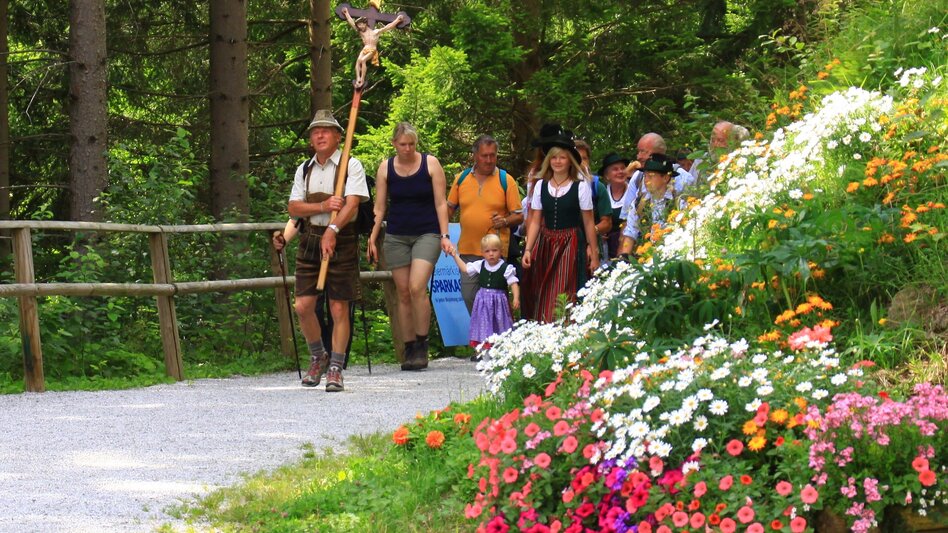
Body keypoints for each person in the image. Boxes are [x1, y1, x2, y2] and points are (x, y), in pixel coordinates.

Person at [287, 109, 369, 391]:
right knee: (303, 306)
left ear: (337, 136)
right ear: (311, 139)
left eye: (325, 130)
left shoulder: (351, 165)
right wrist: (322, 207)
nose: (319, 135)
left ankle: (335, 367)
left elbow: (353, 203)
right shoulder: (304, 169)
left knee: (338, 306)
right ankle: (317, 357)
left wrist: (333, 230)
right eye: (315, 131)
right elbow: (294, 207)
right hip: (310, 239)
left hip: (342, 240)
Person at [366, 122, 453, 371]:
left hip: (427, 232)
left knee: (417, 287)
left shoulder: (431, 164)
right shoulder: (386, 168)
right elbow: (380, 208)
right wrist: (372, 237)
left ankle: (423, 344)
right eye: (403, 144)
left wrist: (444, 234)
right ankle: (409, 347)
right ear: (394, 144)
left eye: (411, 144)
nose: (407, 148)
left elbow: (440, 203)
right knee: (402, 292)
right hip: (396, 234)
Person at [521, 132, 600, 323]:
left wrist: (594, 253)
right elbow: (535, 221)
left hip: (570, 243)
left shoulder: (580, 187)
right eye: (554, 157)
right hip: (546, 243)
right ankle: (543, 331)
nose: (558, 161)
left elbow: (589, 222)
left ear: (570, 160)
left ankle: (564, 329)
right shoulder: (540, 186)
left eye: (562, 157)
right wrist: (528, 249)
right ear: (548, 160)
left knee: (564, 290)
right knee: (543, 288)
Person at [446, 135, 523, 313]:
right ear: (475, 155)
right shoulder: (462, 178)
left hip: (495, 252)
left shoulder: (506, 180)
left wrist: (504, 221)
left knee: (496, 300)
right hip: (467, 249)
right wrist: (441, 233)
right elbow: (448, 209)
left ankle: (497, 338)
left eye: (493, 155)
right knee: (468, 295)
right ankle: (482, 334)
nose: (489, 160)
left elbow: (519, 216)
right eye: (484, 155)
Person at [449, 234, 520, 352]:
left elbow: (513, 283)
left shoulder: (506, 267)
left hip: (498, 303)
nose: (491, 254)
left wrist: (516, 298)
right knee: (484, 324)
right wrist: (455, 255)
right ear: (482, 253)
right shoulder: (480, 264)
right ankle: (485, 351)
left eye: (494, 250)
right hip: (483, 303)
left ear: (500, 251)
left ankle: (501, 349)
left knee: (500, 324)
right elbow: (465, 269)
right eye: (487, 251)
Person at [617, 153, 681, 257]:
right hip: (644, 258)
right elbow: (630, 233)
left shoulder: (678, 202)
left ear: (665, 178)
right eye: (645, 175)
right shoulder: (638, 203)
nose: (646, 180)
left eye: (651, 176)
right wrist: (623, 258)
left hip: (671, 258)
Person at [341, 7, 406, 88]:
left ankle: (362, 79)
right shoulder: (361, 33)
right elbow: (352, 23)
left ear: (365, 24)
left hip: (372, 49)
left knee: (363, 60)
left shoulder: (375, 32)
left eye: (361, 24)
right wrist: (346, 13)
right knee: (358, 61)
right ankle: (358, 78)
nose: (360, 26)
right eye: (359, 25)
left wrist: (397, 20)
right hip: (365, 48)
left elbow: (387, 27)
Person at [574, 139, 614, 263]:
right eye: (577, 158)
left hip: (594, 248)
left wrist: (591, 232)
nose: (581, 163)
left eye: (584, 159)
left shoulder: (597, 187)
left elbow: (607, 223)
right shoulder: (557, 188)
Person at [598, 152, 631, 259]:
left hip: (628, 244)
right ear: (607, 175)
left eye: (622, 168)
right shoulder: (602, 193)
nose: (620, 172)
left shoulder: (633, 191)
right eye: (615, 169)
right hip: (605, 247)